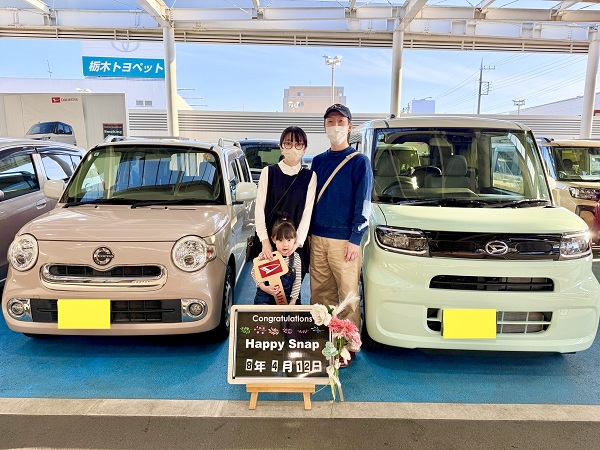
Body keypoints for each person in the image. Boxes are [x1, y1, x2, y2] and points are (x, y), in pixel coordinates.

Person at [309, 104, 374, 362]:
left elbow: (364, 203)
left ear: (349, 127)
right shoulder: (318, 161)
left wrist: (356, 238)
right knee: (320, 294)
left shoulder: (359, 161)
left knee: (347, 296)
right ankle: (324, 342)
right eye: (330, 122)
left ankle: (348, 347)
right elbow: (310, 201)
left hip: (345, 240)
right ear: (324, 126)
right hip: (318, 238)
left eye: (340, 122)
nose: (335, 126)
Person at [254, 126, 317, 279]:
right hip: (270, 243)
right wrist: (265, 242)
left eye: (298, 144)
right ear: (281, 147)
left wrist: (297, 243)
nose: (293, 148)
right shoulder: (268, 172)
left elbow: (307, 213)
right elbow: (259, 209)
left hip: (295, 245)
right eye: (288, 143)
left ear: (304, 149)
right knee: (269, 287)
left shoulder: (310, 176)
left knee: (293, 287)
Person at [252, 216, 303, 305]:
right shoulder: (266, 255)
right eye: (280, 240)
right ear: (273, 240)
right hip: (265, 295)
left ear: (295, 239)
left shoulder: (295, 258)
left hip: (287, 297)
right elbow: (254, 272)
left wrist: (293, 300)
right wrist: (263, 287)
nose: (285, 244)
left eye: (289, 240)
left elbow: (297, 281)